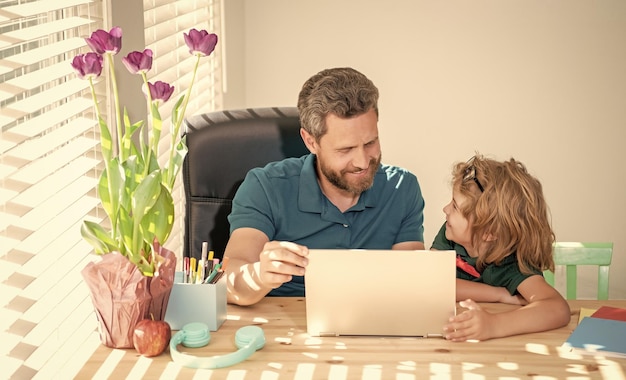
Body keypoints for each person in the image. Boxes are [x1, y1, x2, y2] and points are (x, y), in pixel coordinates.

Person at [223, 67, 426, 306]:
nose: (362, 161)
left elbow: (410, 285)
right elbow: (229, 278)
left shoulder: (402, 188)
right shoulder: (265, 187)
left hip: (374, 322)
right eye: (345, 149)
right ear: (311, 142)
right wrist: (259, 275)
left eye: (370, 142)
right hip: (286, 328)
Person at [431, 153, 571, 341]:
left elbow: (556, 308)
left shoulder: (513, 261)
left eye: (455, 207)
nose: (445, 209)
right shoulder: (450, 234)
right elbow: (431, 283)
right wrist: (500, 294)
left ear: (489, 232)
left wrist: (493, 325)